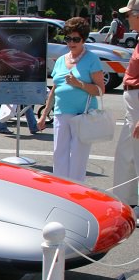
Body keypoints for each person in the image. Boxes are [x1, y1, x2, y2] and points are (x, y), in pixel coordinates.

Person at [37, 17, 104, 182]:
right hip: (61, 113)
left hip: (83, 115)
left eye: (76, 39)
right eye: (68, 38)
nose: (71, 43)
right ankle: (61, 190)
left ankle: (77, 191)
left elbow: (100, 90)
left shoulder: (92, 59)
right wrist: (44, 114)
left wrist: (79, 83)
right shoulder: (61, 60)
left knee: (78, 158)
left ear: (84, 39)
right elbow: (55, 89)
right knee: (59, 154)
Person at [113, 0, 139, 207]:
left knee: (136, 155)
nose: (127, 18)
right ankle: (126, 203)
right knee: (126, 154)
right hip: (133, 100)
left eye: (129, 14)